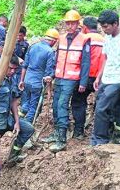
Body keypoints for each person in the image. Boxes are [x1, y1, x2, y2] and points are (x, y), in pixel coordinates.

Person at [41, 10, 90, 153]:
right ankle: (56, 132)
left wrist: (83, 82)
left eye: (72, 23)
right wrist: (51, 74)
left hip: (72, 79)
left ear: (78, 24)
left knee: (62, 104)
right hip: (60, 77)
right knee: (56, 104)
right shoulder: (61, 39)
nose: (70, 26)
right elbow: (57, 59)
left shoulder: (84, 39)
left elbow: (86, 63)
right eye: (67, 23)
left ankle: (61, 138)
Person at [90, 10, 120, 145]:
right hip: (106, 78)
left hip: (118, 80)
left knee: (102, 108)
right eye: (102, 27)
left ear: (115, 24)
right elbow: (106, 58)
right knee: (101, 108)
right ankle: (105, 136)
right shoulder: (108, 38)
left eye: (106, 27)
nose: (104, 30)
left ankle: (99, 139)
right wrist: (99, 77)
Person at [0, 55, 34, 162]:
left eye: (15, 69)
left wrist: (17, 122)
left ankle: (13, 156)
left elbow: (14, 102)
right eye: (10, 68)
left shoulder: (12, 79)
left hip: (6, 120)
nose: (12, 71)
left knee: (28, 129)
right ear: (3, 66)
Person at [70, 17, 105, 140]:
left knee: (78, 102)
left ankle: (79, 131)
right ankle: (102, 133)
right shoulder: (105, 39)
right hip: (102, 77)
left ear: (85, 27)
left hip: (85, 76)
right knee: (102, 104)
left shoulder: (84, 39)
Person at [19, 29, 58, 124]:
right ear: (53, 41)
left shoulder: (32, 46)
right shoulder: (50, 52)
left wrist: (21, 80)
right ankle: (27, 125)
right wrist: (49, 90)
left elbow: (25, 65)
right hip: (37, 83)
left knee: (25, 103)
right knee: (34, 107)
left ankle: (19, 120)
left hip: (27, 80)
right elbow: (48, 74)